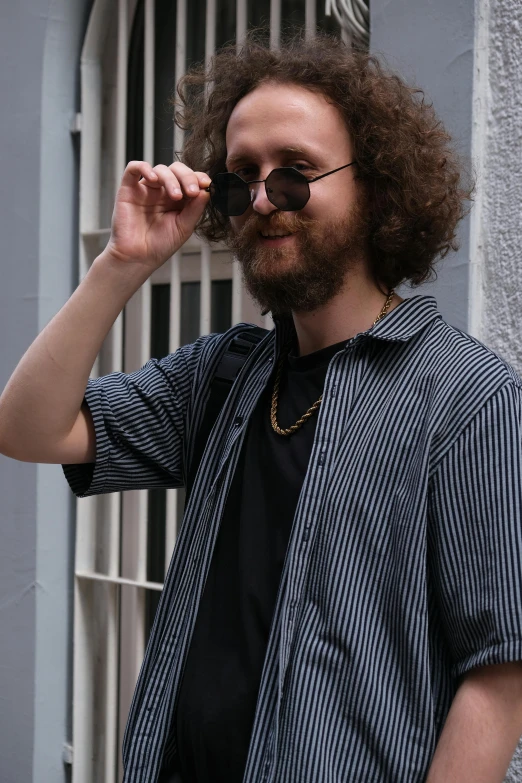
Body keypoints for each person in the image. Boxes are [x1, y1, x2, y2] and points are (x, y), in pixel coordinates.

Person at [1, 31, 522, 783]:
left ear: (373, 187)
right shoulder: (224, 373)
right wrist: (122, 264)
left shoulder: (468, 400)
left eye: (297, 173)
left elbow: (499, 674)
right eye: (243, 177)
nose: (266, 199)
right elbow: (27, 427)